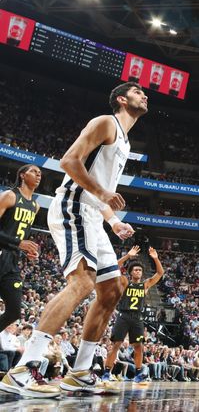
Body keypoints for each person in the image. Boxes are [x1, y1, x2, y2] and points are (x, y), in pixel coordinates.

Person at [0, 82, 145, 398]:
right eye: (136, 91)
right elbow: (69, 162)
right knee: (81, 283)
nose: (144, 95)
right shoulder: (107, 122)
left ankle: (80, 371)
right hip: (73, 207)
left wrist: (113, 220)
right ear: (121, 99)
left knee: (114, 288)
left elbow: (101, 188)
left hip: (92, 214)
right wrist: (103, 194)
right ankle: (23, 369)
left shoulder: (124, 139)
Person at [102, 245, 164, 384]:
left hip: (137, 318)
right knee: (116, 345)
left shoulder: (145, 285)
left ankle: (138, 374)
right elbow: (115, 267)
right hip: (123, 316)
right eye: (136, 270)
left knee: (139, 347)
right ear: (130, 272)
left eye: (140, 270)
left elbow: (160, 273)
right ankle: (106, 372)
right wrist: (128, 256)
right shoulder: (125, 282)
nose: (138, 272)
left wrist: (156, 259)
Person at [0, 164, 41, 332]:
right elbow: (16, 239)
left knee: (14, 311)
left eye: (40, 173)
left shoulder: (35, 206)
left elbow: (20, 236)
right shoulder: (10, 196)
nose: (38, 175)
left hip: (12, 261)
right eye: (34, 171)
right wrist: (19, 243)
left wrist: (28, 250)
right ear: (23, 175)